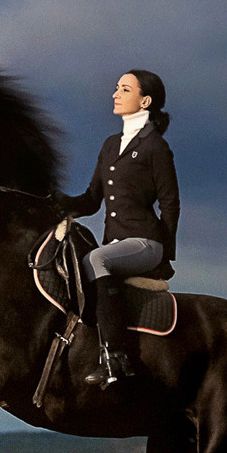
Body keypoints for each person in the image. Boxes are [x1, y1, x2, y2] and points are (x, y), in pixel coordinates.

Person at [66, 68, 177, 386]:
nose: (115, 94)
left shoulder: (156, 147)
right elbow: (90, 200)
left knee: (96, 259)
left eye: (124, 89)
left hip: (146, 243)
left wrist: (165, 255)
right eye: (116, 88)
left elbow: (170, 203)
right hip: (115, 244)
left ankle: (116, 357)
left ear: (145, 101)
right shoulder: (109, 145)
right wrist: (55, 202)